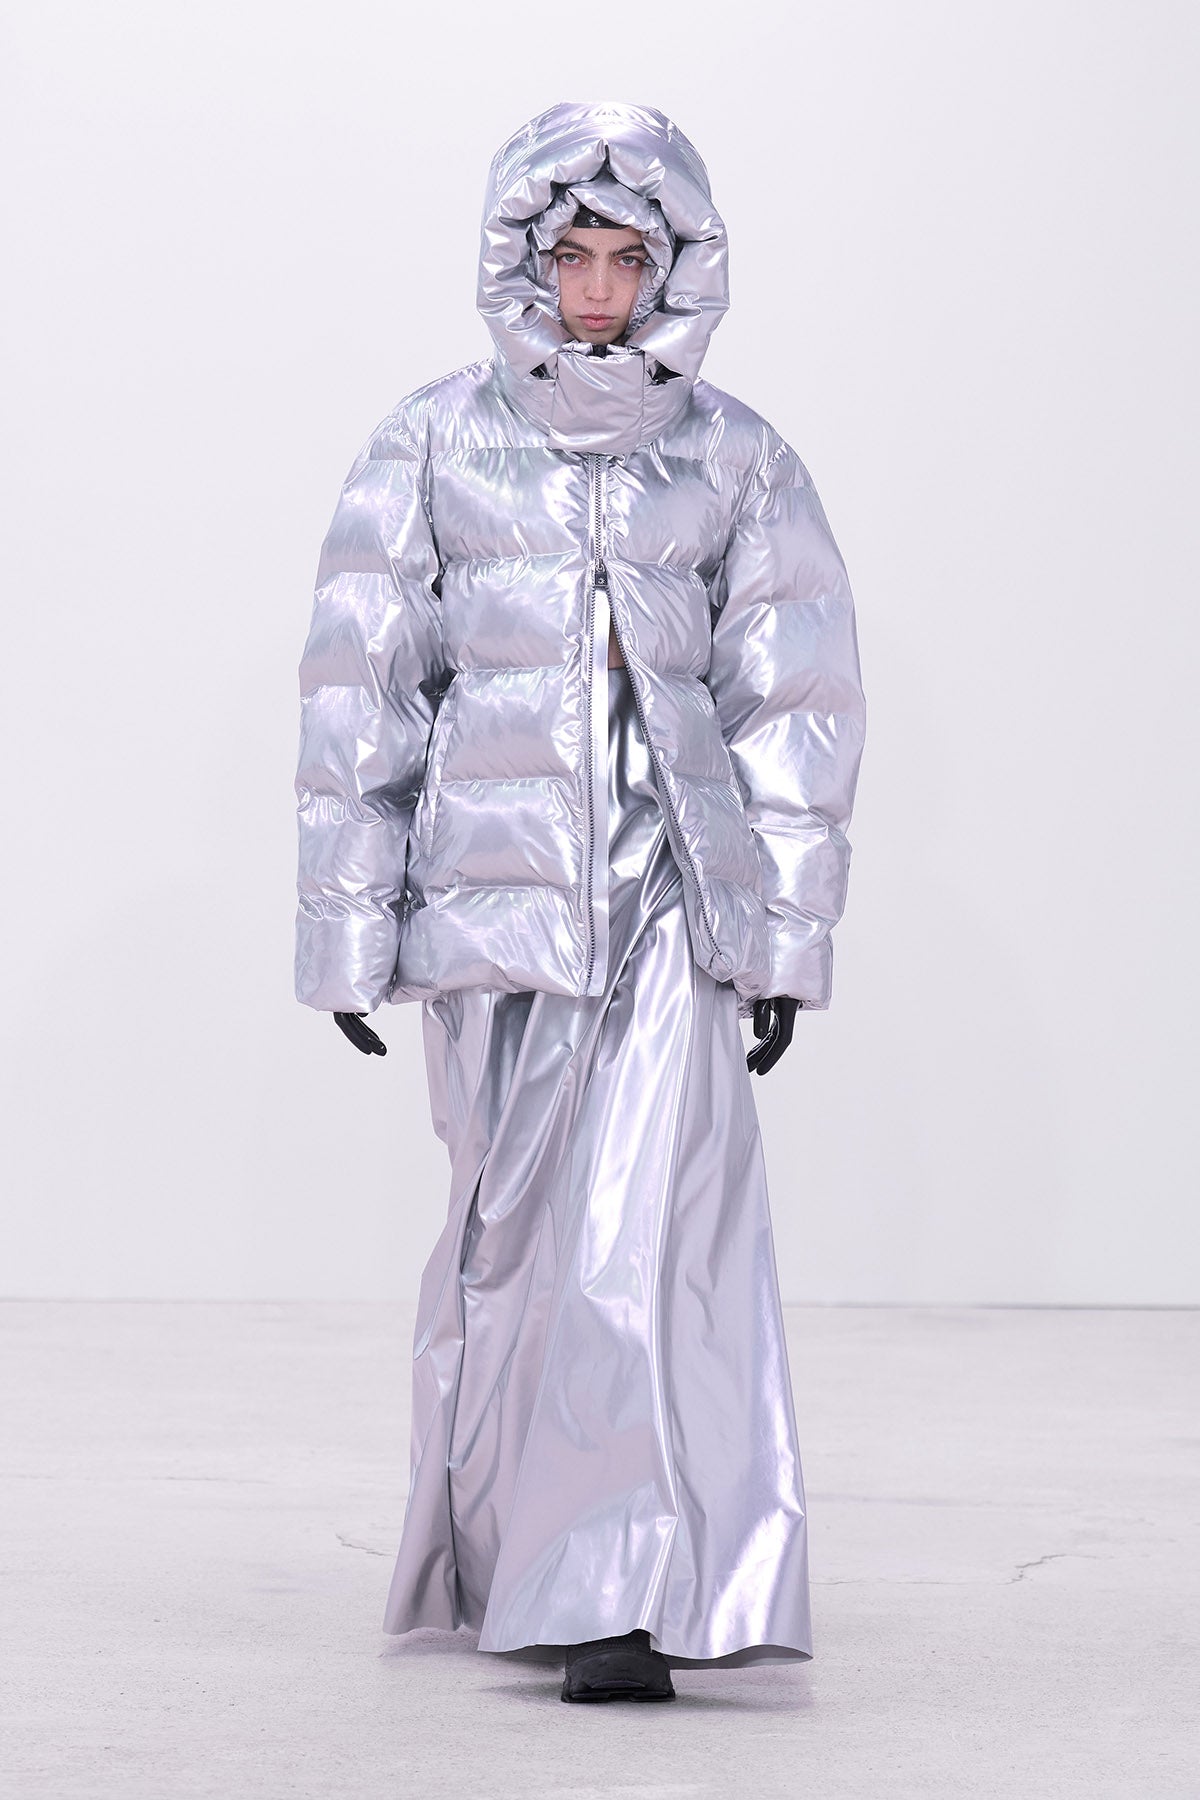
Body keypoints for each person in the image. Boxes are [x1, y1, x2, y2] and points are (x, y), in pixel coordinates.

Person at [293, 100, 867, 1704]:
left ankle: (628, 1590)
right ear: (526, 261)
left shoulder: (737, 457)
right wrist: (349, 928)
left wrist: (782, 938)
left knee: (650, 1240)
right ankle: (524, 1561)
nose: (601, 289)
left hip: (675, 900)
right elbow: (365, 692)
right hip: (499, 919)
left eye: (630, 257)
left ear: (676, 268)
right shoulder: (431, 442)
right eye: (576, 255)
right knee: (515, 1252)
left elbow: (793, 706)